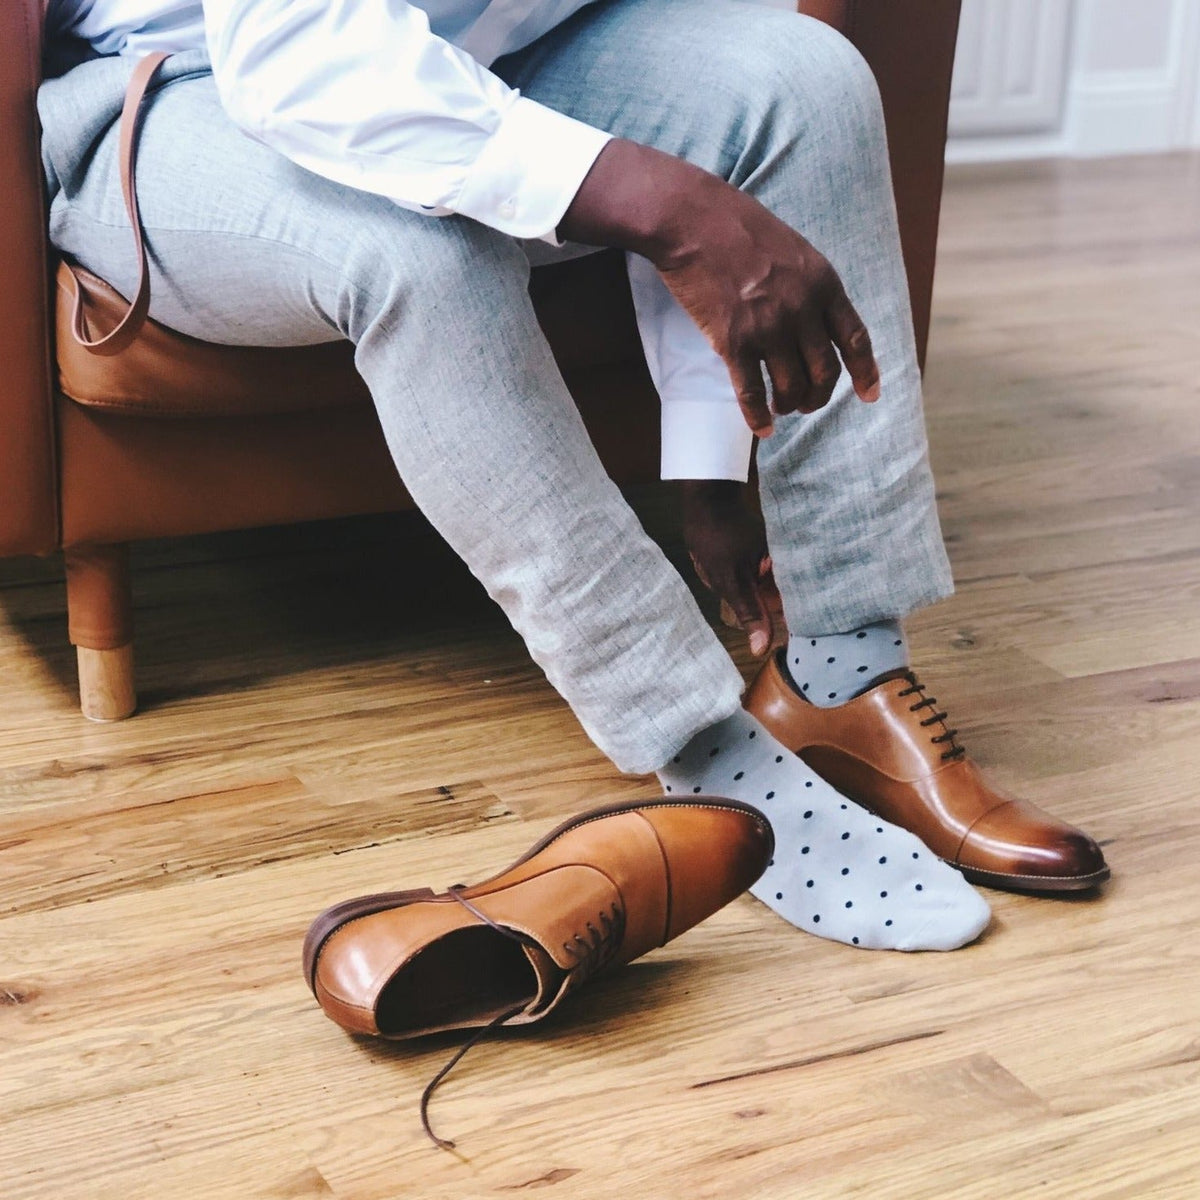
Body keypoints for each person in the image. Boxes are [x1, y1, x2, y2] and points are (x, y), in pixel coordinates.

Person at [40, 0, 1107, 956]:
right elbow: (295, 51)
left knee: (801, 79)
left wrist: (709, 457)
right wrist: (672, 210)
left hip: (484, 56)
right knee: (423, 248)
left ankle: (841, 670)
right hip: (187, 87)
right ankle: (701, 743)